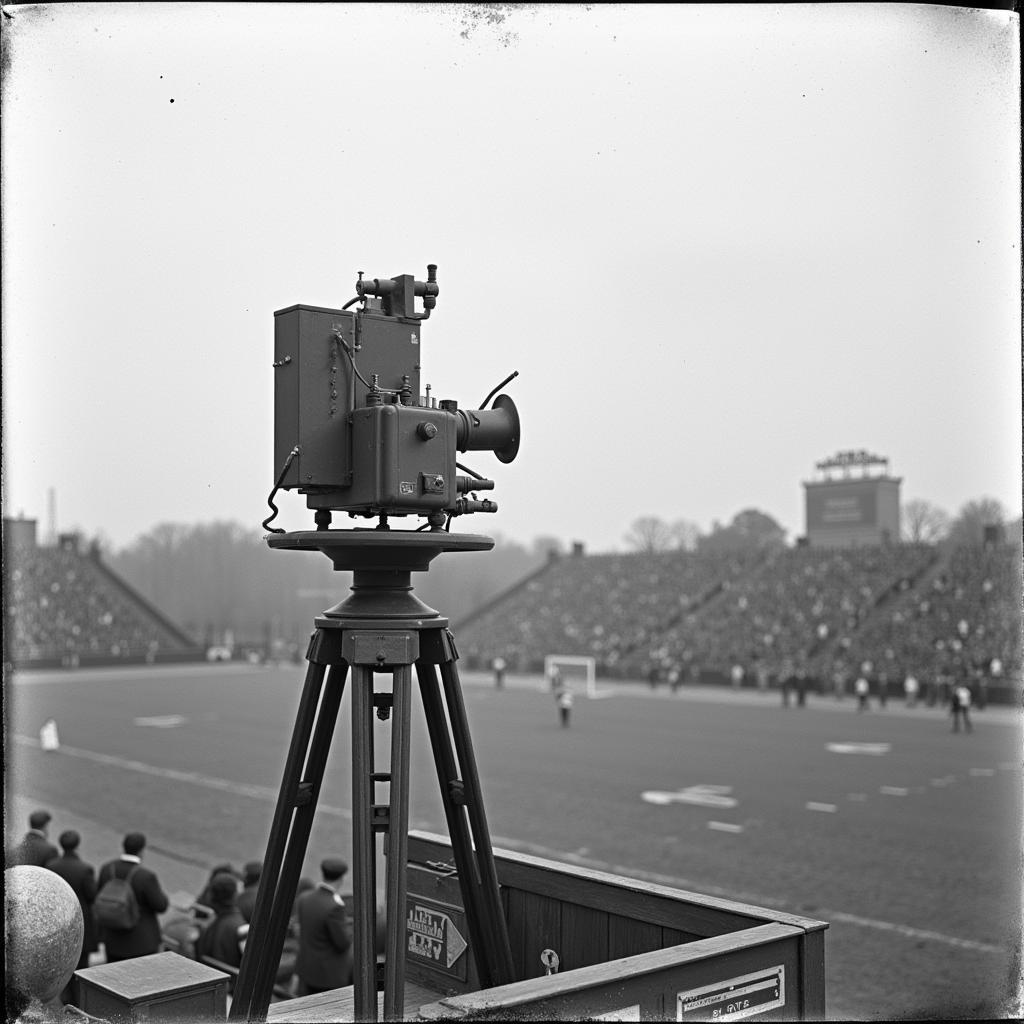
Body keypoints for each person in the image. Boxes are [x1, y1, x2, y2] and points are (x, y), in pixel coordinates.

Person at [96, 832, 169, 962]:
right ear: (141, 851)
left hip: (113, 939)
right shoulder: (146, 876)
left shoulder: (107, 869)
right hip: (142, 943)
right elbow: (161, 905)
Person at [294, 857, 353, 996]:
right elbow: (343, 943)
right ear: (341, 878)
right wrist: (349, 928)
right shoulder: (334, 907)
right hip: (327, 976)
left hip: (306, 969)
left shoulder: (304, 898)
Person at [44, 831, 98, 972]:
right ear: (77, 846)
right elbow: (92, 895)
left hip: (59, 919)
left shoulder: (51, 866)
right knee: (82, 966)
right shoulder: (85, 869)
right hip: (79, 919)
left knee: (62, 965)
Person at [196, 872, 247, 990]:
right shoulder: (241, 928)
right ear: (235, 895)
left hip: (212, 987)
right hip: (232, 990)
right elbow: (255, 967)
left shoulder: (207, 926)